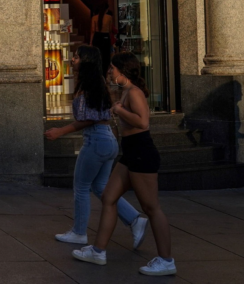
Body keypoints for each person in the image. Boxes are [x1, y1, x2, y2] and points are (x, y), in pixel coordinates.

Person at [72, 52, 175, 276]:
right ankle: (98, 251)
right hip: (130, 153)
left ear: (123, 70)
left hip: (141, 153)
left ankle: (166, 260)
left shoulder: (134, 92)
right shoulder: (126, 91)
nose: (109, 72)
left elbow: (143, 122)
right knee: (109, 197)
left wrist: (119, 110)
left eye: (112, 68)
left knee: (152, 208)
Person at [44, 46, 147, 248]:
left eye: (76, 57)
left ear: (86, 61)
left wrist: (61, 131)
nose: (72, 60)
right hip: (106, 140)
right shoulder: (94, 82)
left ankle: (79, 232)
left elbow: (90, 119)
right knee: (101, 187)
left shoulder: (90, 84)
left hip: (96, 140)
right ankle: (135, 219)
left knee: (81, 187)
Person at [89, 3, 114, 74]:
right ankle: (104, 73)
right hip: (105, 37)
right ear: (106, 9)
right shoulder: (109, 17)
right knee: (106, 57)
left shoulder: (94, 18)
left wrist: (91, 42)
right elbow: (110, 30)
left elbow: (92, 31)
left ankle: (97, 72)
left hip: (97, 37)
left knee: (97, 55)